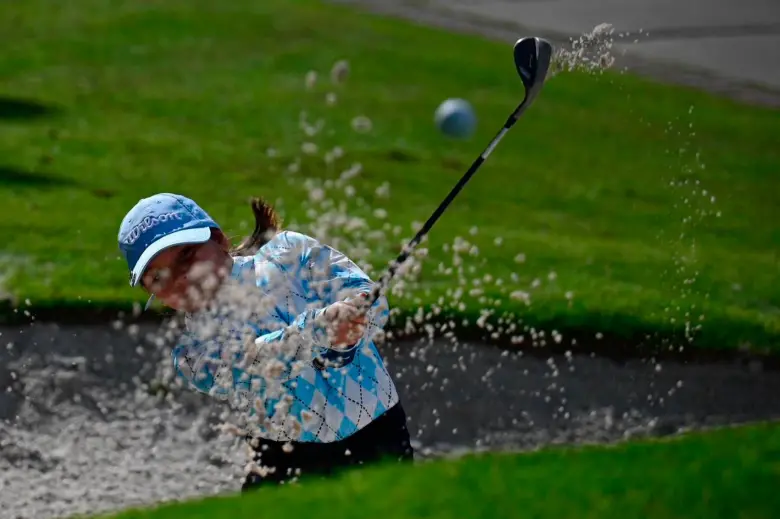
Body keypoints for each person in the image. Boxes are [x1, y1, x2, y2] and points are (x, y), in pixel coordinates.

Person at [117, 192, 414, 491]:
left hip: (380, 434)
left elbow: (372, 300)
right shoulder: (192, 353)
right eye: (158, 278)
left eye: (186, 256)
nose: (180, 278)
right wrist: (318, 331)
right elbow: (256, 364)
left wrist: (351, 326)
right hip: (287, 462)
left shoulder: (290, 251)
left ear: (218, 240)